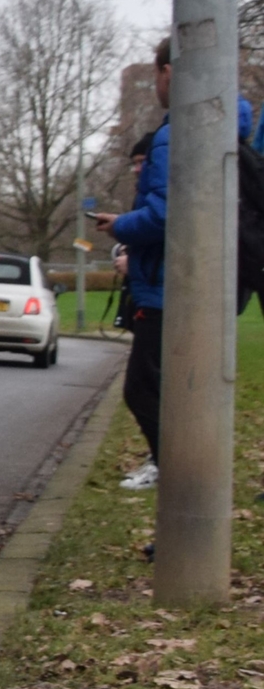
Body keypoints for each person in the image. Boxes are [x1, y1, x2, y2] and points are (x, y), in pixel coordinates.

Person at [90, 41, 253, 493]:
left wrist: (122, 223)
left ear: (168, 72)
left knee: (144, 390)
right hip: (208, 285)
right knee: (185, 397)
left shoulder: (174, 134)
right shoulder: (227, 126)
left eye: (159, 74)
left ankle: (185, 489)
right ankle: (190, 506)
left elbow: (168, 215)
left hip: (168, 289)